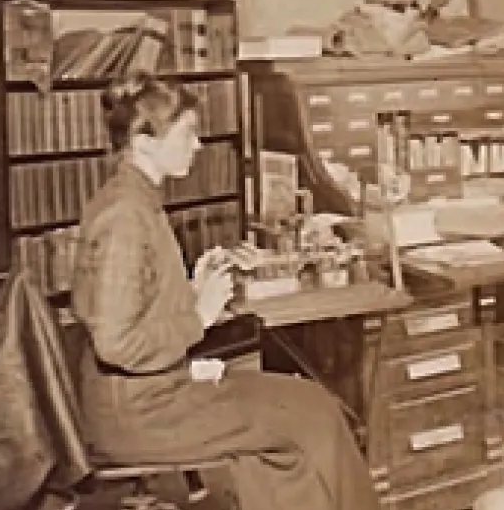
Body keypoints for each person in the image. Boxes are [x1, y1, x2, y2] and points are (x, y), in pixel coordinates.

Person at [71, 74, 378, 510]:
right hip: (141, 414)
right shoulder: (126, 216)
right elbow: (116, 342)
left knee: (307, 407)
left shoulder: (133, 199)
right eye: (187, 133)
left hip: (150, 392)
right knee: (312, 414)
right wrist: (199, 317)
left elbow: (131, 306)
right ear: (143, 145)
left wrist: (190, 289)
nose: (198, 145)